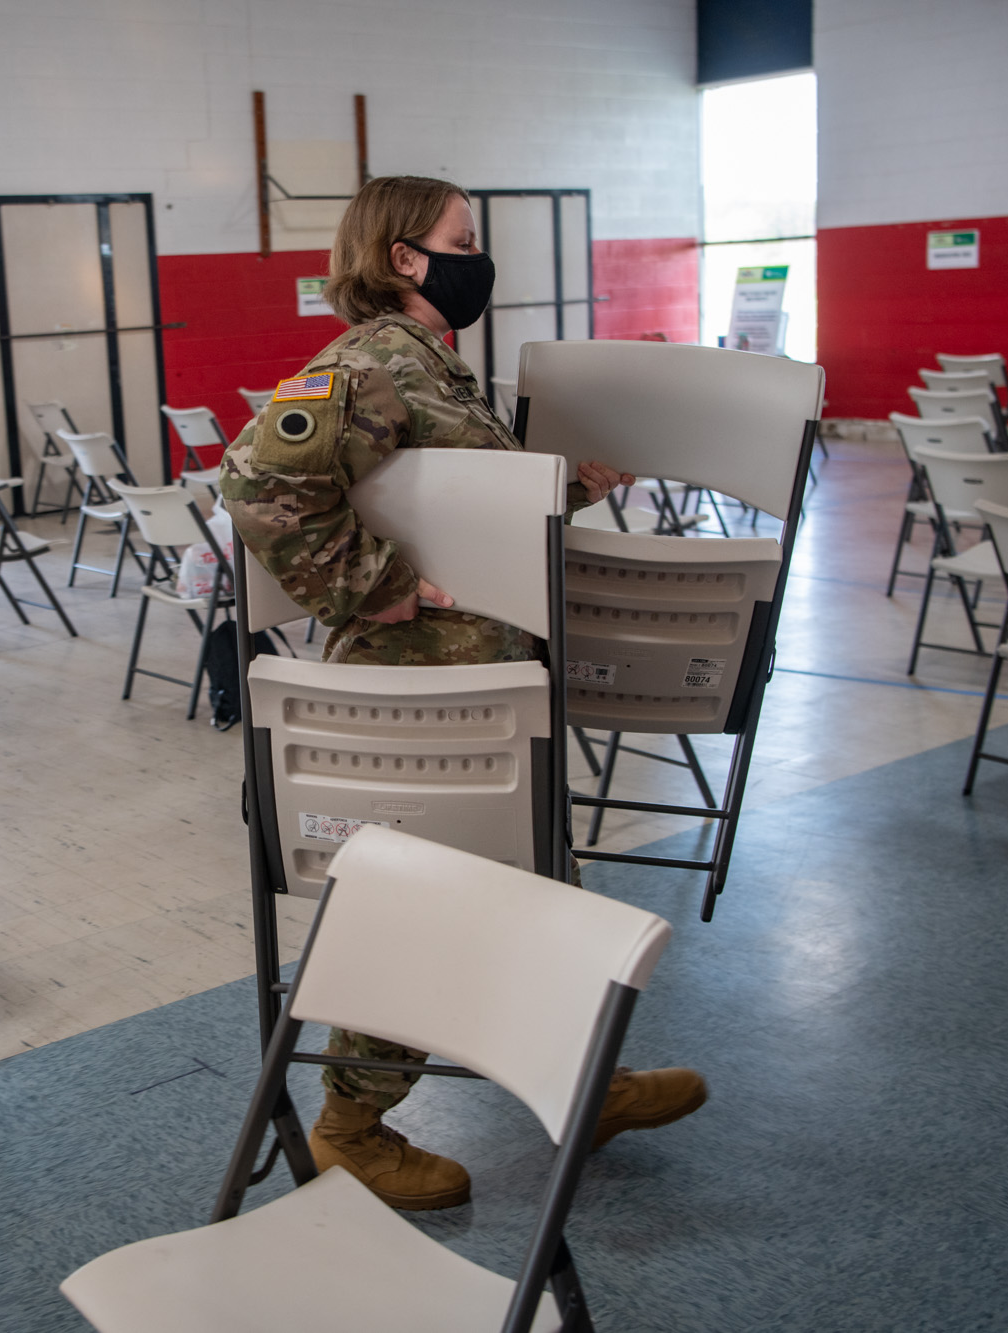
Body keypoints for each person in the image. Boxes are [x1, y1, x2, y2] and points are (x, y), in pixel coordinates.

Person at [218, 175, 708, 1212]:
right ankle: (351, 1125)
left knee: (534, 886)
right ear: (403, 257)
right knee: (425, 910)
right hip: (415, 699)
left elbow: (456, 495)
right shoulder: (368, 363)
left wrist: (572, 482)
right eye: (462, 238)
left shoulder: (432, 368)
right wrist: (374, 584)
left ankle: (582, 1085)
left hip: (478, 688)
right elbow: (255, 480)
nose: (476, 256)